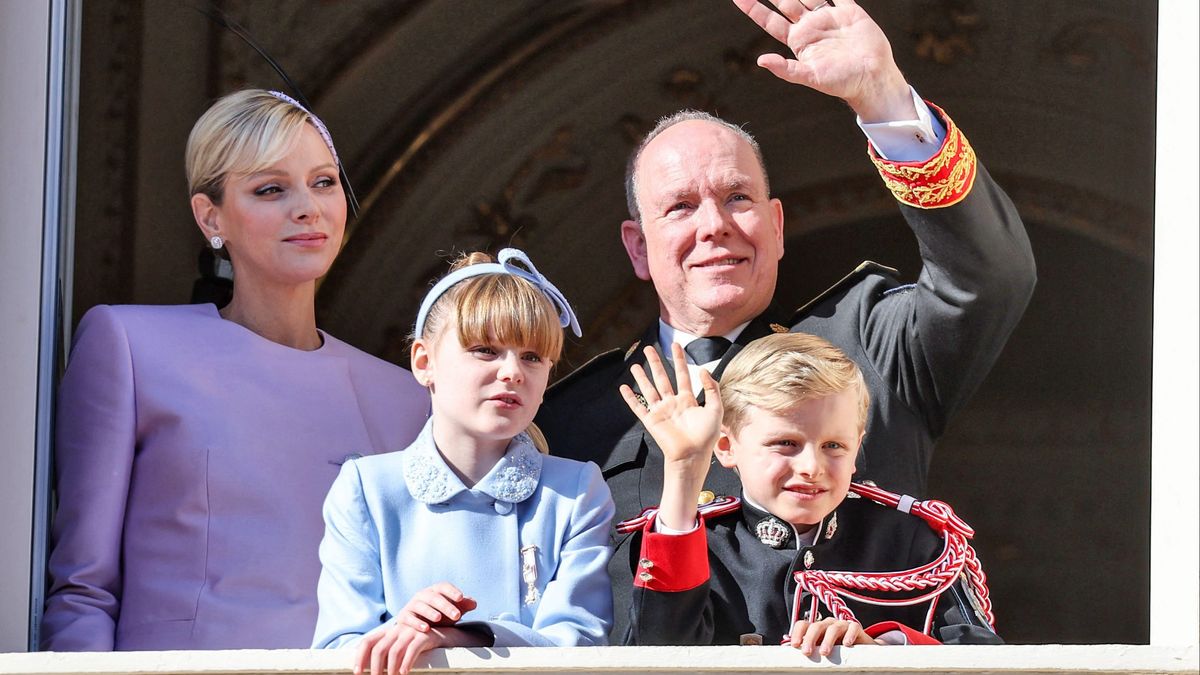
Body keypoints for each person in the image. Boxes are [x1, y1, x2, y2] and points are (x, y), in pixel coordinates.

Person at [535, 0, 1036, 640]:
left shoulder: (869, 344)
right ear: (638, 247)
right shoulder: (573, 419)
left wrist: (884, 100)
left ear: (775, 227)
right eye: (681, 207)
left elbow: (990, 277)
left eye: (737, 198)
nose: (714, 225)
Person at [40, 89, 430, 651]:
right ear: (210, 216)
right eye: (271, 189)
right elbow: (82, 589)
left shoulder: (406, 398)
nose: (308, 207)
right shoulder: (128, 345)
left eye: (324, 182)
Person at [312, 249, 615, 675]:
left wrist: (464, 636)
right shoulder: (366, 487)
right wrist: (406, 629)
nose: (513, 372)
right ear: (424, 362)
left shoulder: (577, 490)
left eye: (532, 356)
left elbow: (579, 642)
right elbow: (335, 649)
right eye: (485, 350)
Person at [620, 334, 1002, 651]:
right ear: (726, 446)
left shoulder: (911, 543)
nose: (811, 467)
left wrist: (885, 651)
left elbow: (984, 657)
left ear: (858, 449)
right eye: (785, 443)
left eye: (834, 446)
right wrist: (685, 471)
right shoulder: (699, 544)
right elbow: (660, 652)